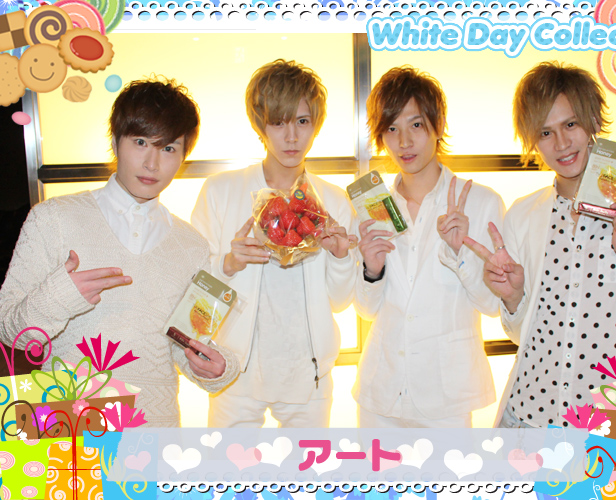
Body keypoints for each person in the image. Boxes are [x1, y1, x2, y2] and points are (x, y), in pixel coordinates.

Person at [465, 61, 616, 428]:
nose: (561, 144)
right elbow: (521, 334)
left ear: (592, 120)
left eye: (570, 124)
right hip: (529, 417)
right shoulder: (524, 213)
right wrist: (512, 298)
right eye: (545, 132)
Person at [0, 77, 239, 427]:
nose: (152, 163)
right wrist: (61, 296)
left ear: (183, 157)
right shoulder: (53, 217)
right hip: (69, 425)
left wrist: (216, 367)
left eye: (168, 148)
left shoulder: (192, 245)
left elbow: (182, 344)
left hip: (154, 426)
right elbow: (8, 328)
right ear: (115, 141)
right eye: (140, 142)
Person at [191, 59, 356, 428]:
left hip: (308, 373)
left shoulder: (333, 200)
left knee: (307, 467)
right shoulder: (221, 191)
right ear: (259, 124)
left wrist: (341, 257)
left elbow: (342, 301)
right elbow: (194, 286)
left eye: (302, 121)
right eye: (278, 122)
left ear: (316, 125)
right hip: (235, 369)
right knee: (227, 464)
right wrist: (228, 264)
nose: (291, 136)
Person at [353, 66, 504, 428]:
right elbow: (366, 310)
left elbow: (492, 305)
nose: (404, 142)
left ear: (438, 126)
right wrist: (371, 271)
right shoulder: (372, 206)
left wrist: (459, 254)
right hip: (381, 392)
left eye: (416, 125)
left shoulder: (480, 202)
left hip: (446, 396)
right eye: (392, 129)